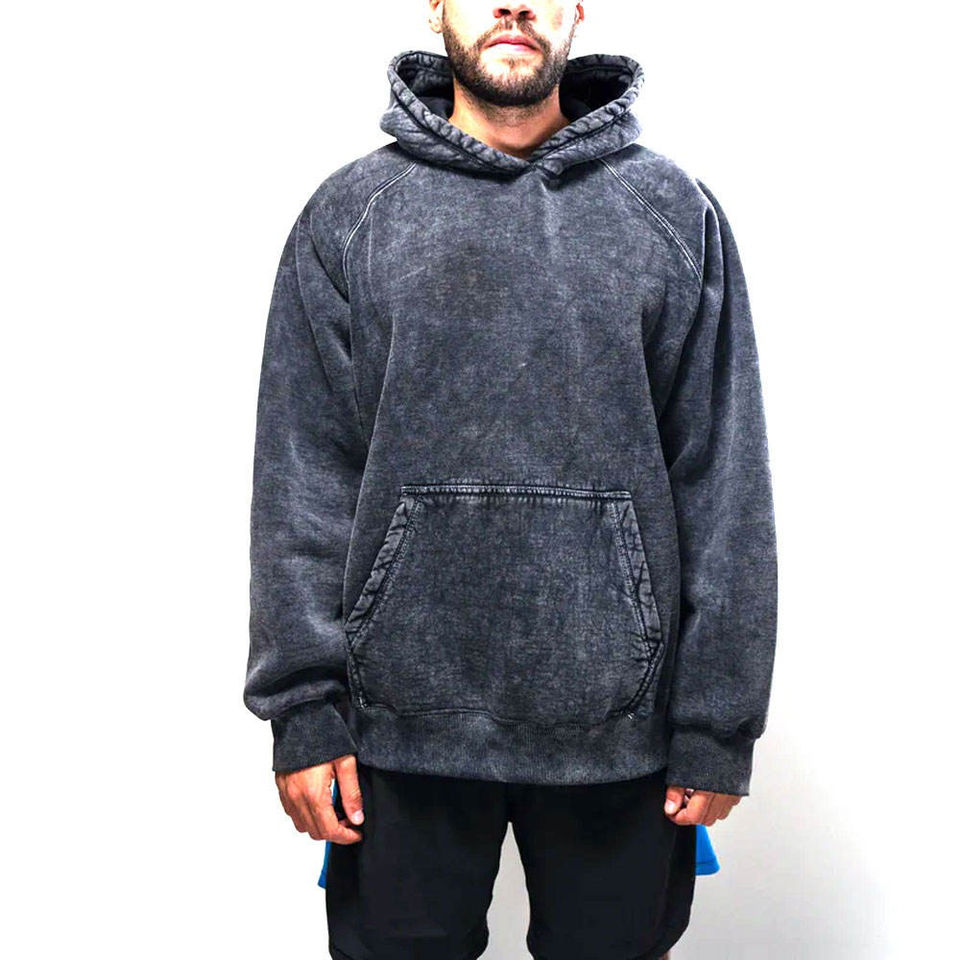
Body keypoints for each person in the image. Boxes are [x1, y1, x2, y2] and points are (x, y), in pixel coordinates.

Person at [244, 2, 778, 957]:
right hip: (397, 727)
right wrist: (303, 715)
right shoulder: (351, 213)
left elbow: (723, 481)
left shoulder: (671, 211)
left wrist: (717, 725)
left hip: (621, 727)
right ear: (437, 6)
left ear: (577, 10)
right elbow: (303, 478)